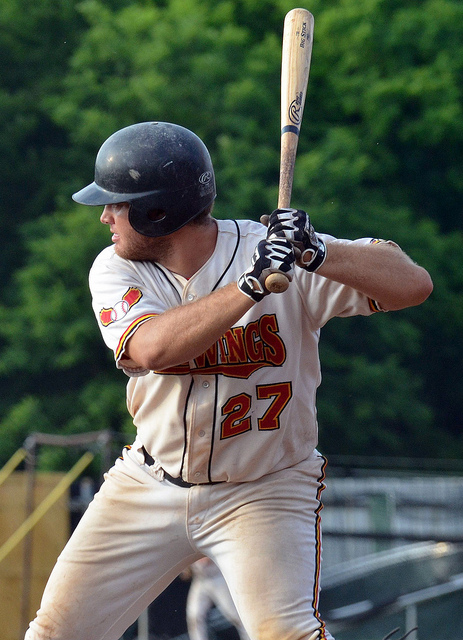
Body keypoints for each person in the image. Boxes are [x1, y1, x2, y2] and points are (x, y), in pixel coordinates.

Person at [24, 121, 432, 640]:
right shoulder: (118, 269)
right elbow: (153, 348)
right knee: (54, 633)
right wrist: (250, 287)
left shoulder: (280, 253)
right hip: (151, 481)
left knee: (287, 635)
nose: (105, 216)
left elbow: (413, 285)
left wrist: (319, 251)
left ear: (157, 212)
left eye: (117, 204)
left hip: (265, 490)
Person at [182, 557, 250, 640]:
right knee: (194, 616)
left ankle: (250, 637)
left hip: (217, 578)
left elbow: (205, 558)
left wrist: (203, 557)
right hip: (200, 580)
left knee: (234, 615)